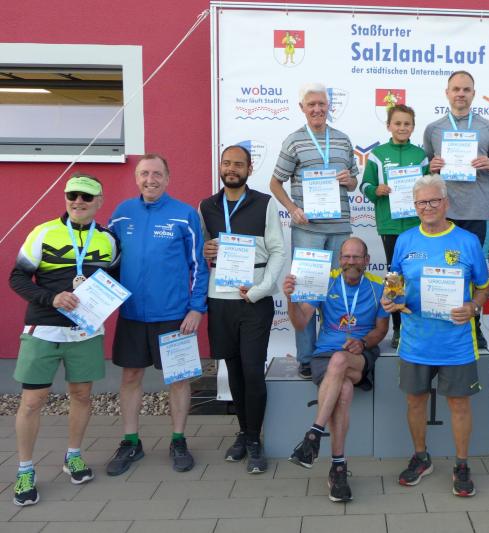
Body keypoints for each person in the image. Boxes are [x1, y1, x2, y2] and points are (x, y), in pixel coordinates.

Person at [9, 174, 119, 506]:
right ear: (66, 198)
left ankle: (73, 455)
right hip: (43, 328)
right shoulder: (43, 232)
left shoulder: (109, 240)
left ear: (99, 201)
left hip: (85, 331)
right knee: (32, 401)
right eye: (73, 195)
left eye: (86, 197)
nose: (78, 202)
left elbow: (113, 282)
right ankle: (25, 469)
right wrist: (52, 298)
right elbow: (17, 277)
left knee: (82, 396)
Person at [382, 174, 489, 498]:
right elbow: (395, 283)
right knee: (415, 401)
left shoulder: (467, 241)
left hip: (456, 341)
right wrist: (390, 299)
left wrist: (473, 307)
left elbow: (484, 287)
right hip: (415, 340)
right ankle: (421, 457)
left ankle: (461, 464)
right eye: (421, 202)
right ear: (414, 206)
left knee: (459, 404)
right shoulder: (405, 240)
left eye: (433, 201)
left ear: (446, 203)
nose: (427, 207)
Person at [106, 154, 209, 476]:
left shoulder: (184, 214)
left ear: (167, 178)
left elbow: (199, 265)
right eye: (144, 173)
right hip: (132, 314)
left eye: (157, 174)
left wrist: (197, 307)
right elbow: (107, 261)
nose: (150, 179)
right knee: (130, 377)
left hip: (174, 314)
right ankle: (130, 441)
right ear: (136, 178)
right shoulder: (122, 214)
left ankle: (178, 440)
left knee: (178, 379)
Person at [200, 145, 286, 473]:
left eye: (238, 164)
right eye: (227, 163)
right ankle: (243, 431)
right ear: (220, 167)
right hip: (220, 298)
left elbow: (278, 251)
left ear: (250, 169)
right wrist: (205, 249)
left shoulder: (264, 203)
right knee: (233, 371)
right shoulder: (206, 206)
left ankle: (254, 439)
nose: (231, 169)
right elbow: (201, 250)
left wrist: (261, 290)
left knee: (252, 370)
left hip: (254, 299)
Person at [284, 238, 388, 502]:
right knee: (343, 390)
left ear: (367, 260)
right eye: (346, 257)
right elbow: (300, 323)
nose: (351, 262)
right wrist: (290, 299)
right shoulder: (324, 282)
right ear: (339, 259)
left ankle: (314, 434)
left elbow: (381, 330)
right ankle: (338, 468)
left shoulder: (379, 286)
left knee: (341, 361)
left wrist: (363, 342)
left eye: (357, 257)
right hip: (324, 355)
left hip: (360, 355)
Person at [270, 82, 359, 379]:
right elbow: (275, 183)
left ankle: (332, 350)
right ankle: (307, 357)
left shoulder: (343, 140)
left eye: (322, 104)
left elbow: (354, 183)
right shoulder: (294, 141)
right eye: (312, 105)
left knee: (337, 292)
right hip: (307, 229)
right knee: (307, 292)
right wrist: (292, 208)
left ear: (328, 106)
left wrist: (349, 181)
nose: (317, 109)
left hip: (339, 229)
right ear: (302, 108)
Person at [423, 70, 489, 349]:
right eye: (456, 89)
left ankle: (474, 324)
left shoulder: (488, 127)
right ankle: (441, 324)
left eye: (466, 89)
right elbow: (424, 167)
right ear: (447, 93)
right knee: (441, 270)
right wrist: (431, 167)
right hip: (443, 213)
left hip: (477, 212)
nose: (461, 93)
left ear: (473, 93)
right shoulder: (433, 129)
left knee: (476, 272)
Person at [361, 104, 429, 348]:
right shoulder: (378, 155)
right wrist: (375, 190)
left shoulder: (420, 155)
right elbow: (364, 185)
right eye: (397, 123)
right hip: (389, 225)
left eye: (407, 124)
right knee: (395, 278)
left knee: (417, 274)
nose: (402, 127)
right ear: (388, 126)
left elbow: (429, 185)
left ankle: (417, 324)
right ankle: (398, 328)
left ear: (413, 127)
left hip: (417, 224)